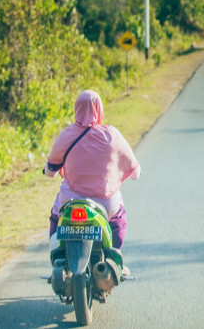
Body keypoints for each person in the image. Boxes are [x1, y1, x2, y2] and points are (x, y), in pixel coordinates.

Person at [45, 90, 140, 256]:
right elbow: (134, 170)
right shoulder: (112, 135)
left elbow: (50, 171)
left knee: (55, 216)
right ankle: (114, 256)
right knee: (118, 218)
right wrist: (134, 172)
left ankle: (57, 255)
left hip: (70, 199)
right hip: (105, 203)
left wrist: (49, 170)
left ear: (77, 109)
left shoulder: (66, 135)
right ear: (100, 109)